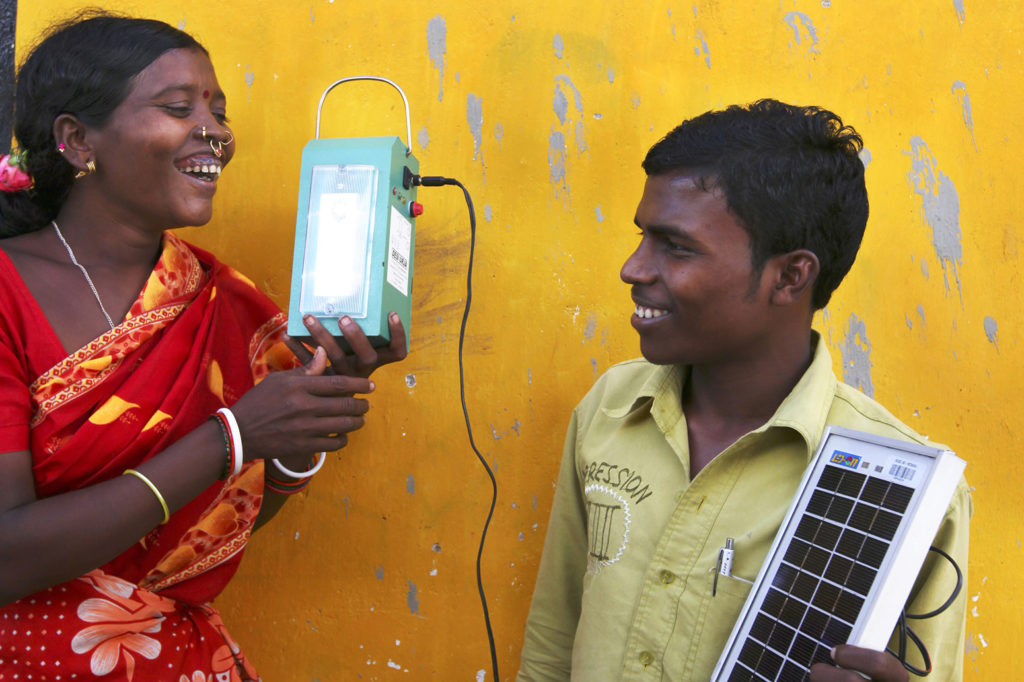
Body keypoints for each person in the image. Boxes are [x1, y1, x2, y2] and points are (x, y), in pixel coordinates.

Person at [0, 13, 406, 680]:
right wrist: (233, 436)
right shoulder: (8, 292)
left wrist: (299, 438)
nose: (215, 131)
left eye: (218, 111)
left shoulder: (230, 305)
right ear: (76, 140)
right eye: (178, 107)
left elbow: (198, 540)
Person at [517, 100, 971, 681]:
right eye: (642, 237)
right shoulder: (610, 407)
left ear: (789, 276)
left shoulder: (903, 490)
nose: (633, 268)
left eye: (675, 247)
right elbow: (554, 643)